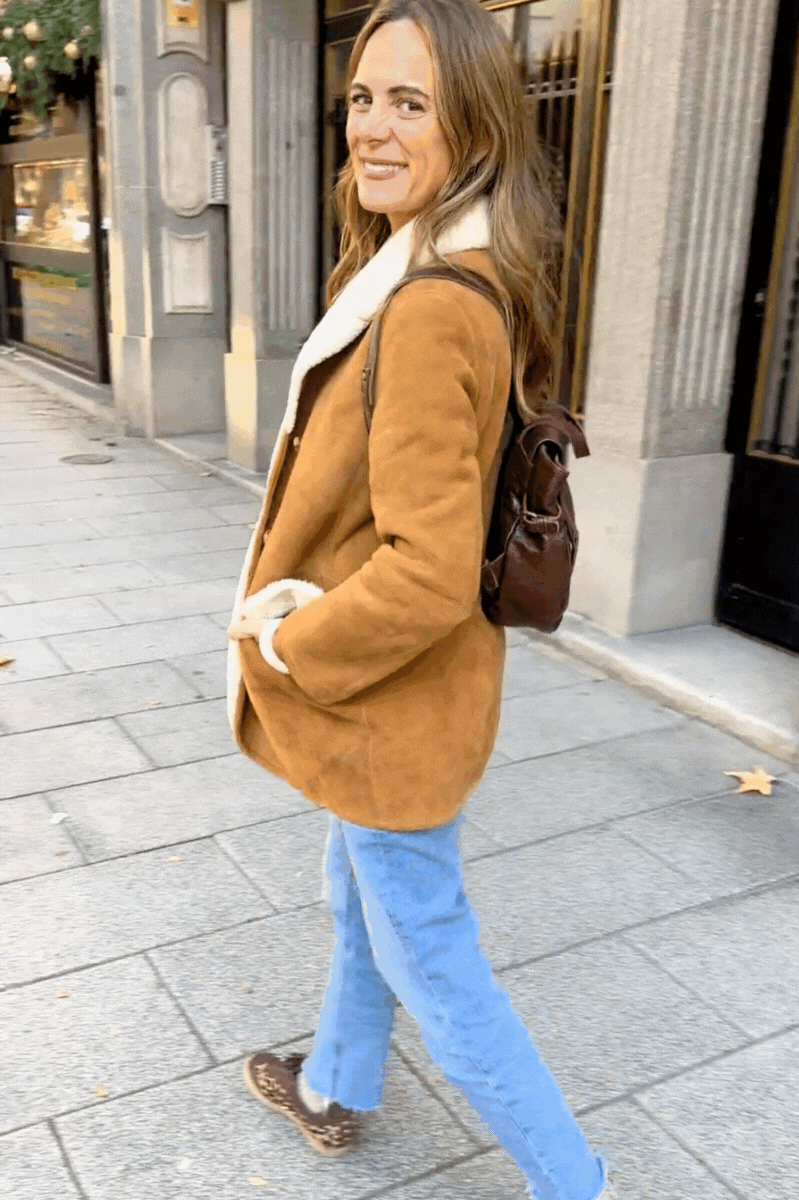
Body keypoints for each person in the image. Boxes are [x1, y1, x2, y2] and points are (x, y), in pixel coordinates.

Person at [226, 1, 608, 1196]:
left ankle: (575, 1182)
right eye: (362, 99)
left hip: (391, 702)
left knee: (434, 964)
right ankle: (338, 1085)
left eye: (413, 103)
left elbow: (429, 571)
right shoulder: (436, 266)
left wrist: (291, 640)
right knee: (359, 896)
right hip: (408, 706)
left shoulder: (432, 300)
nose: (374, 131)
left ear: (474, 126)